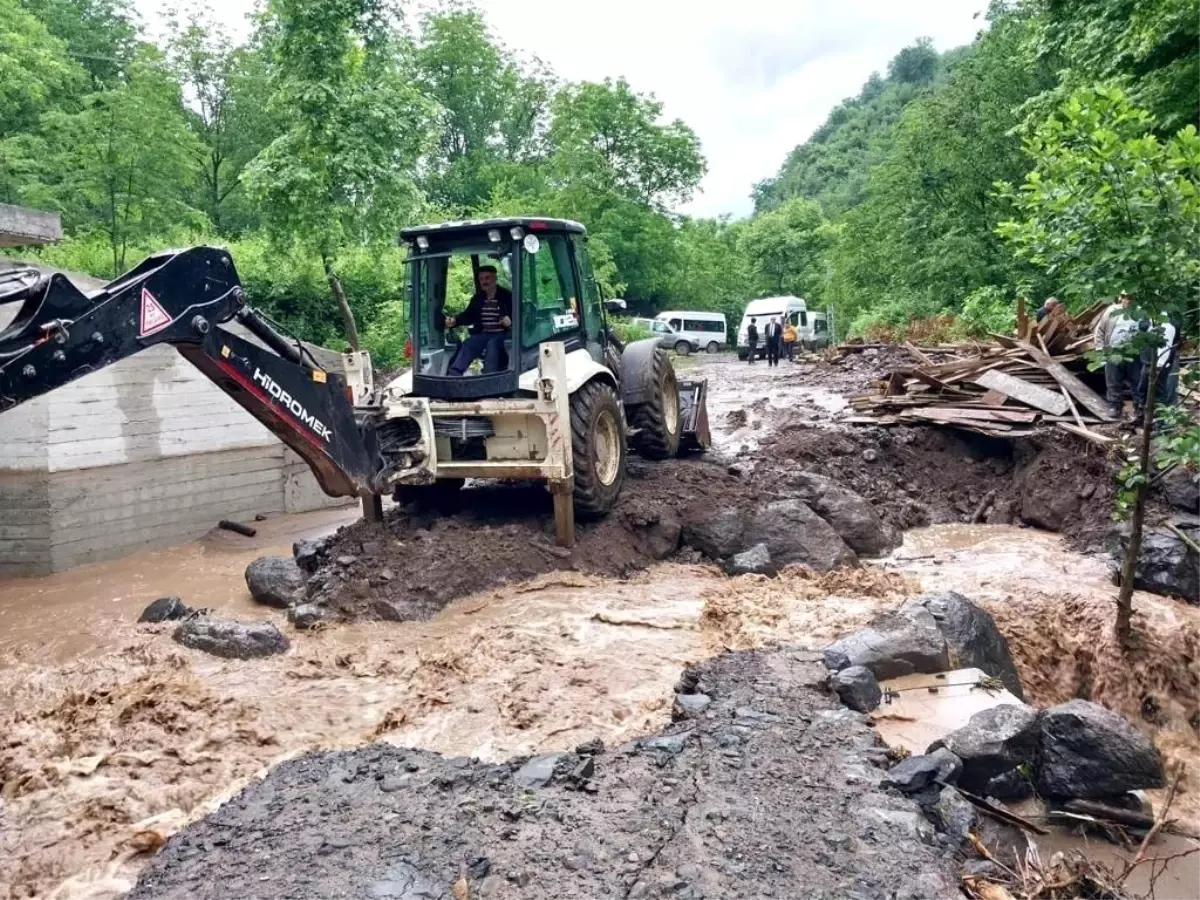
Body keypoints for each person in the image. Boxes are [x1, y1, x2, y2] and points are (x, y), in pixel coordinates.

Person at [445, 266, 512, 376]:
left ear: (495, 278)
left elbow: (517, 314)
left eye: (487, 278)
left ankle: (489, 376)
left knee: (492, 344)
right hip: (484, 333)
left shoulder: (506, 296)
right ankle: (454, 374)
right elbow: (469, 315)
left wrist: (510, 320)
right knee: (468, 343)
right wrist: (454, 321)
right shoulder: (478, 298)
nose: (484, 282)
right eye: (481, 279)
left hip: (502, 334)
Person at [1092, 292, 1140, 418]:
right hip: (1113, 351)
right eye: (1125, 297)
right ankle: (1115, 405)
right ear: (1121, 298)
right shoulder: (1111, 311)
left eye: (1130, 298)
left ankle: (1139, 407)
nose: (1128, 300)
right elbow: (1100, 331)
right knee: (1113, 381)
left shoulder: (1141, 312)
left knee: (1137, 381)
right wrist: (1100, 350)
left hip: (1134, 353)